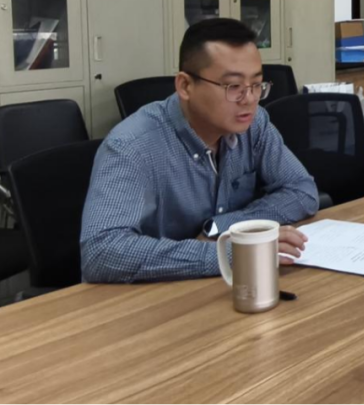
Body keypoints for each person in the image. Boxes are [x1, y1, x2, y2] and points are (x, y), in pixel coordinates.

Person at [80, 18, 319, 283]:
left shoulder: (254, 124)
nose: (250, 99)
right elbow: (101, 252)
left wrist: (220, 227)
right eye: (233, 87)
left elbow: (302, 189)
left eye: (256, 84)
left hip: (221, 286)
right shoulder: (131, 146)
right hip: (148, 295)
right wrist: (231, 253)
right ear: (185, 86)